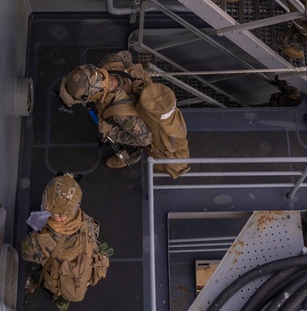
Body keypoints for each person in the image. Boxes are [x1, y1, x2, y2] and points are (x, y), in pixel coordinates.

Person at [59, 51, 190, 175]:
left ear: (95, 93)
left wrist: (111, 132)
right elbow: (126, 55)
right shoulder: (110, 63)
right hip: (136, 93)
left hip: (136, 120)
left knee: (129, 141)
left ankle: (130, 157)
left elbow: (145, 139)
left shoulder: (121, 114)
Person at [21, 174, 111, 310]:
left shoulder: (37, 242)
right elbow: (95, 234)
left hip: (56, 283)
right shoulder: (89, 224)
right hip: (82, 277)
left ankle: (60, 297)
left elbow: (25, 253)